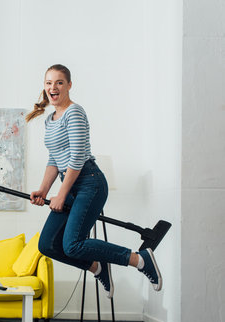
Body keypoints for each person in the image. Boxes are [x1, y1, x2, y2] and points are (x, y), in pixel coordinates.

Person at [27, 64, 162, 298]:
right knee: (47, 244)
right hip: (72, 184)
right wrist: (43, 189)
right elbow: (54, 159)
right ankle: (97, 267)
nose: (53, 87)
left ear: (69, 85)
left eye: (59, 82)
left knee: (73, 244)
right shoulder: (50, 120)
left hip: (90, 182)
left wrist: (61, 194)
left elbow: (77, 156)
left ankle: (140, 259)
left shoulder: (75, 112)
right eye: (49, 83)